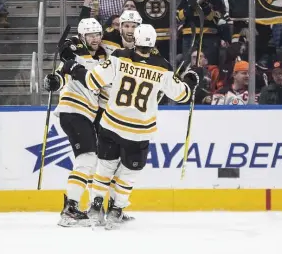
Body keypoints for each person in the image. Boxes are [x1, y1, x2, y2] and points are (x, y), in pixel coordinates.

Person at [58, 24, 197, 229]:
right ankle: (117, 209)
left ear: (135, 40)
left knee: (104, 167)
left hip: (111, 123)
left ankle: (96, 205)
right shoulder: (163, 66)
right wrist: (190, 82)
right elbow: (181, 95)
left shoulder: (119, 56)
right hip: (138, 130)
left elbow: (93, 80)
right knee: (129, 173)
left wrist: (72, 66)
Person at [42, 18, 107, 227]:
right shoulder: (75, 53)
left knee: (91, 160)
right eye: (90, 35)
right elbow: (61, 76)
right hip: (72, 110)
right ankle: (71, 207)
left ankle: (81, 206)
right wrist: (53, 81)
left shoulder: (103, 57)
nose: (95, 38)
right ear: (82, 37)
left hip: (86, 114)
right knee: (87, 157)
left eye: (97, 34)